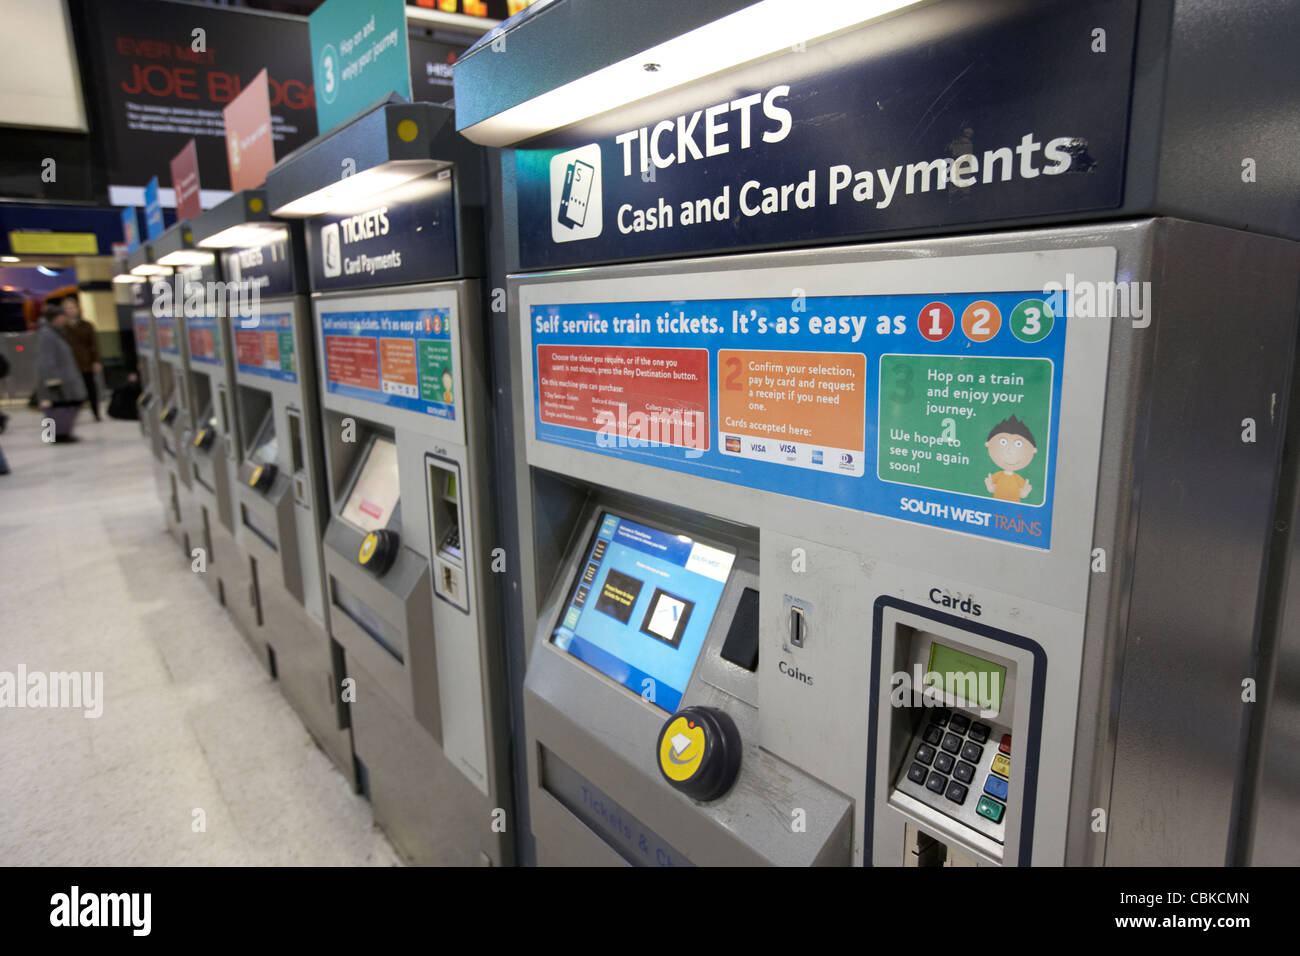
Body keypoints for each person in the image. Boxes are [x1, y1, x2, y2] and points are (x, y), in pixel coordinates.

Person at [35, 302, 87, 442]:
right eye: (63, 316)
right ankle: (55, 435)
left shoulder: (57, 333)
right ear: (56, 318)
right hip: (57, 380)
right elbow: (46, 359)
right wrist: (52, 380)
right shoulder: (47, 335)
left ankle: (61, 433)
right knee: (55, 409)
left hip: (64, 378)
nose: (65, 319)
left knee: (63, 407)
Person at [61, 294, 102, 422]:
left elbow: (93, 344)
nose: (70, 310)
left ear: (78, 309)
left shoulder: (87, 326)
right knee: (71, 391)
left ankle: (96, 413)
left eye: (72, 307)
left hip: (85, 362)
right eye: (67, 308)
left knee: (91, 388)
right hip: (69, 364)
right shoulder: (62, 328)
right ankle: (72, 415)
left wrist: (96, 360)